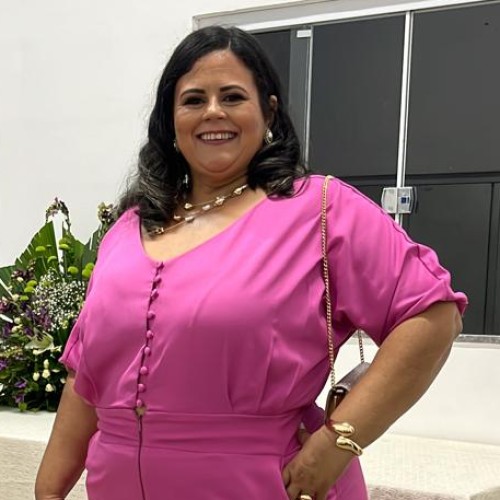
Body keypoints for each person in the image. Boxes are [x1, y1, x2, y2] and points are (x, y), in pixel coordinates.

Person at [35, 26, 467, 500]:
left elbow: (432, 316)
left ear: (269, 111)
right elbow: (86, 377)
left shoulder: (321, 211)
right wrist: (49, 491)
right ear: (170, 119)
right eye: (193, 99)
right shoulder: (129, 227)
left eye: (233, 96)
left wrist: (337, 443)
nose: (213, 112)